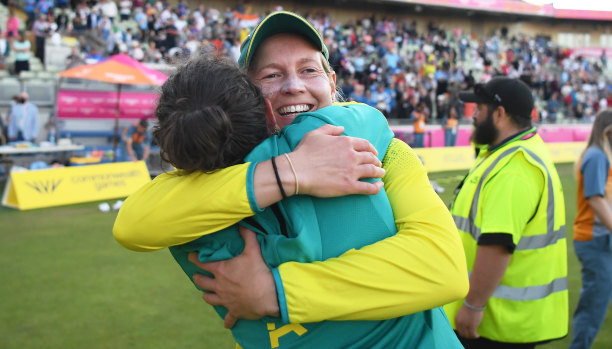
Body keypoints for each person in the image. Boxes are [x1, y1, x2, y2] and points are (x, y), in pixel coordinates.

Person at [114, 10, 467, 342]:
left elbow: (444, 269)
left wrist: (274, 291)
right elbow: (133, 223)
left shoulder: (387, 152)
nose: (293, 85)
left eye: (309, 70)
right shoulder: (223, 175)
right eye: (271, 74)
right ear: (249, 95)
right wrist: (289, 172)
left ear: (332, 82)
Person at [443, 77, 568, 348]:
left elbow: (497, 245)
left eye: (479, 109)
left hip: (496, 324)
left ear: (499, 114)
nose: (473, 116)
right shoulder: (505, 153)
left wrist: (473, 306)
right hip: (496, 317)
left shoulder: (515, 167)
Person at [570, 109, 612, 349]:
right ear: (607, 130)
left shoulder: (603, 155)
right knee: (594, 305)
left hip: (605, 239)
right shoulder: (596, 156)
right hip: (597, 240)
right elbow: (595, 198)